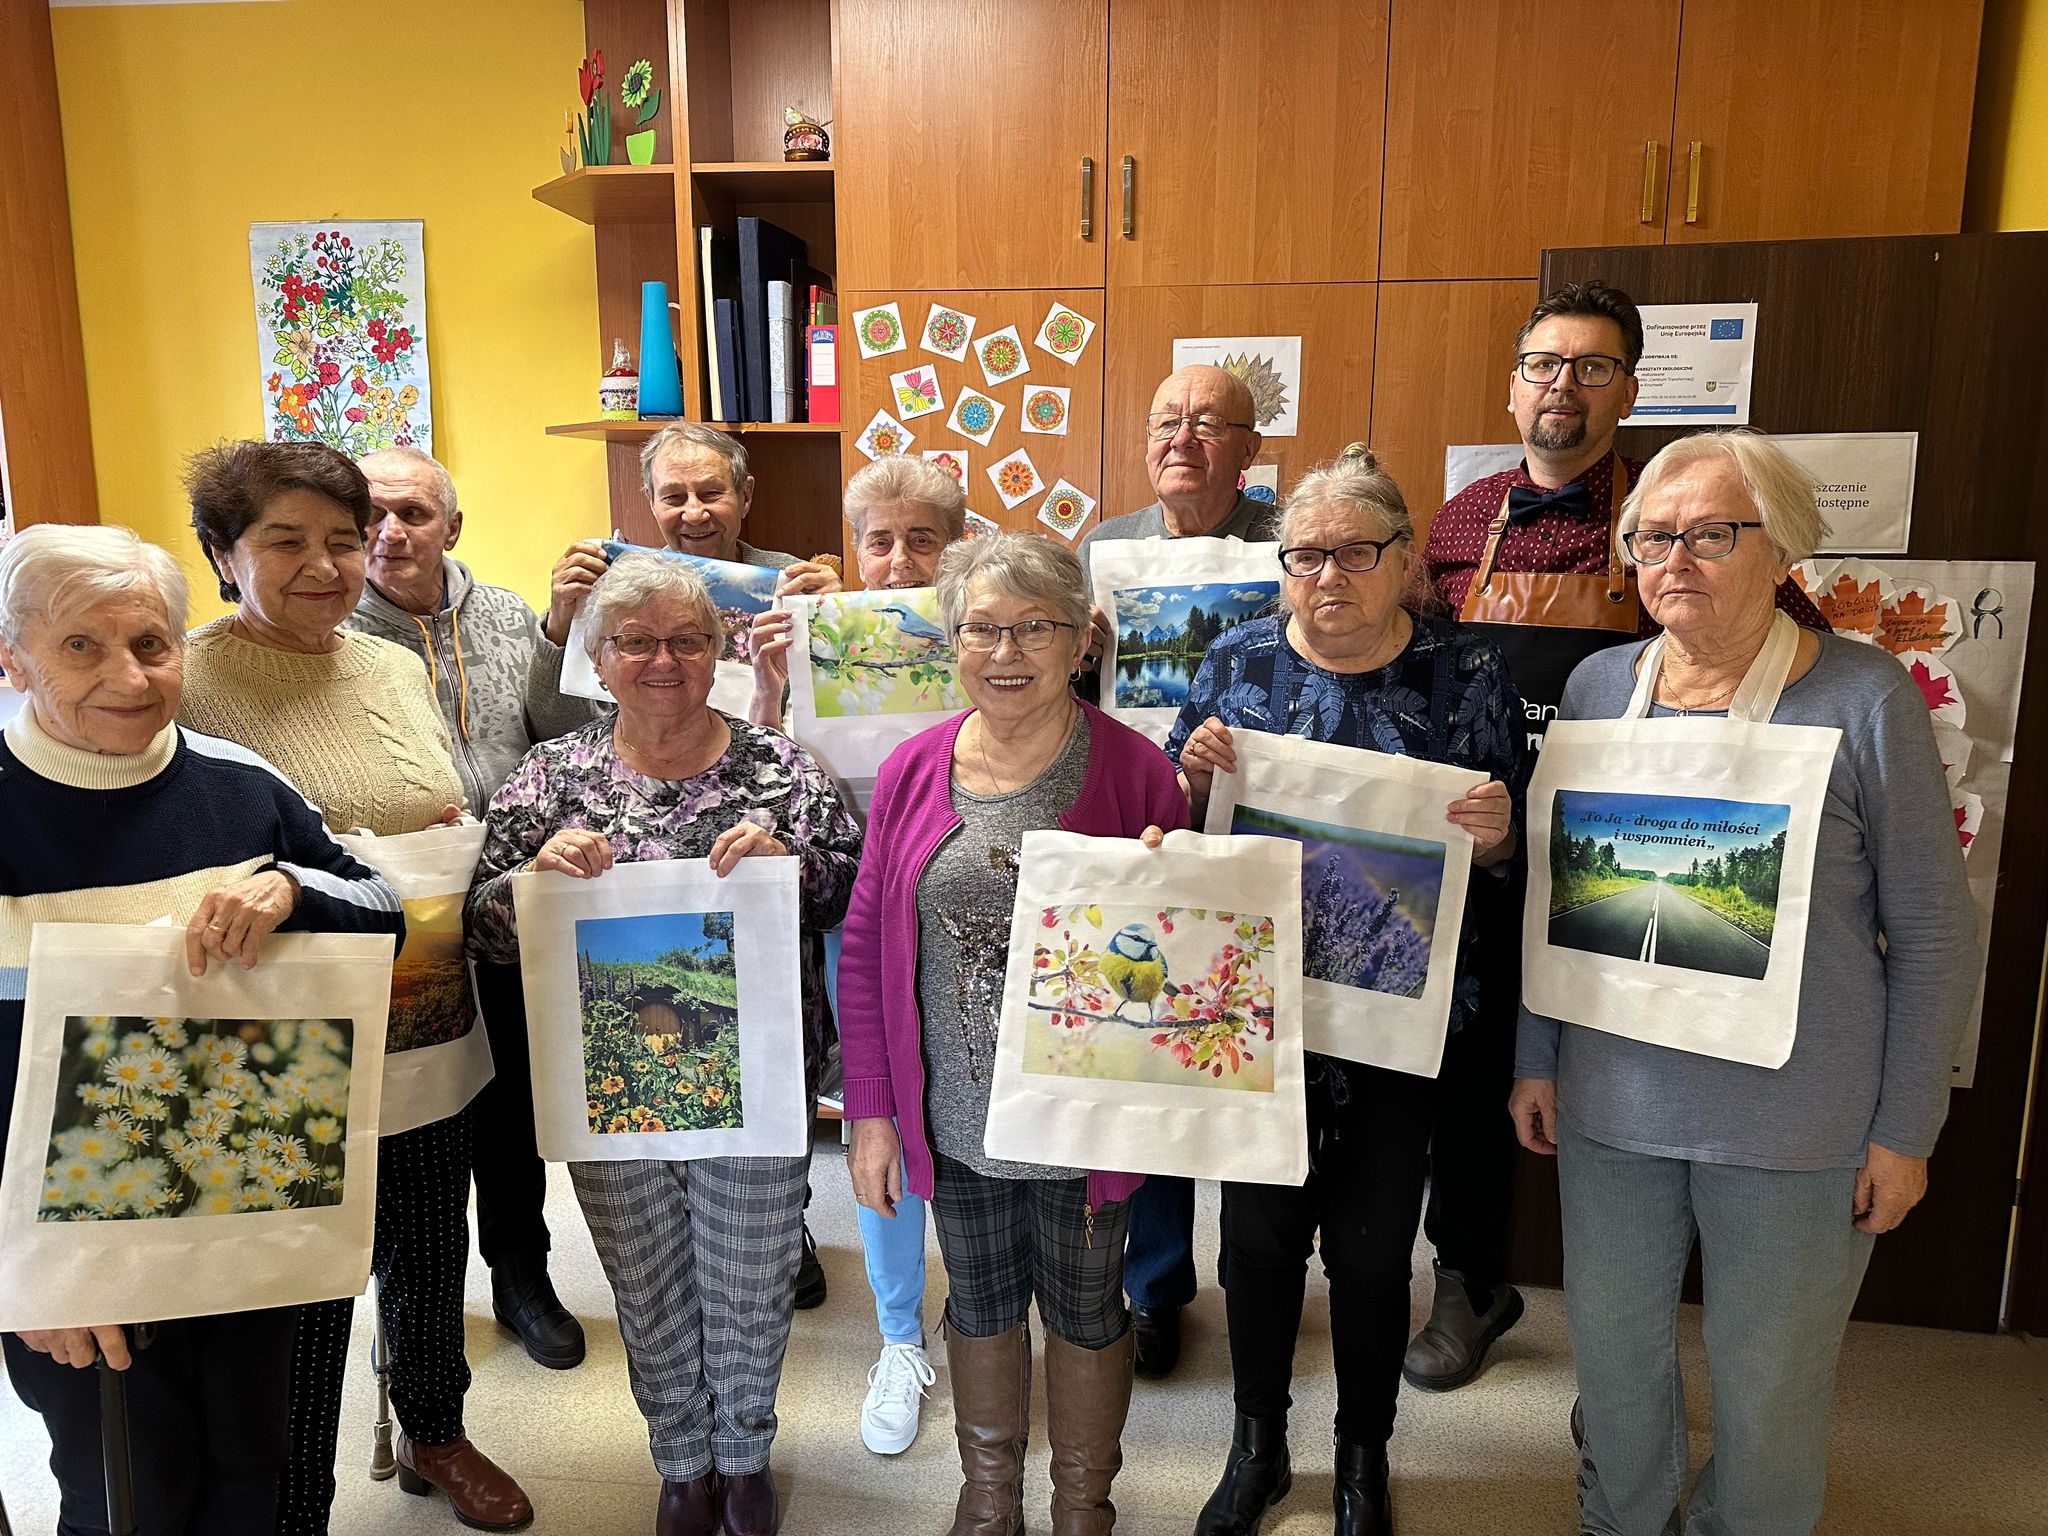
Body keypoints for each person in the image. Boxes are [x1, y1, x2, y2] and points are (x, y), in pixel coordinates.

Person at [1509, 430, 1977, 1536]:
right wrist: (1537, 1057)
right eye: (1653, 537)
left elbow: (1932, 930)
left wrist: (1904, 1130)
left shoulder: (1864, 698)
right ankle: (1621, 1519)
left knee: (1768, 1379)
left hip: (1794, 1122)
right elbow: (1557, 890)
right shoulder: (1595, 686)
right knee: (1613, 1356)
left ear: (1782, 549)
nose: (1674, 559)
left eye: (1711, 534)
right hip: (1612, 1103)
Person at [1407, 281, 1828, 1396]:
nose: (1564, 386)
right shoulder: (1460, 520)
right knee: (1464, 1071)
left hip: (1623, 848)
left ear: (1628, 391)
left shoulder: (1669, 514)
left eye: (1592, 367)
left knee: (1606, 1077)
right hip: (1478, 843)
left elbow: (1798, 642)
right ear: (1513, 386)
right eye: (1544, 364)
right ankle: (1468, 1279)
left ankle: (1628, 1299)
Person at [0, 523, 405, 1536]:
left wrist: (290, 888)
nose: (129, 676)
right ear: (14, 659)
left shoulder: (241, 785)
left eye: (151, 643)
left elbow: (381, 905)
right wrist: (28, 1275)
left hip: (245, 1216)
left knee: (250, 1475)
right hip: (72, 1249)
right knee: (129, 1492)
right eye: (81, 646)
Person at [175, 439, 531, 1535]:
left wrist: (436, 830)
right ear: (223, 553)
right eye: (286, 540)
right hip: (280, 1035)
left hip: (426, 1012)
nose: (326, 564)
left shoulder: (389, 664)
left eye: (343, 538)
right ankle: (297, 1499)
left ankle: (435, 1428)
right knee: (304, 1283)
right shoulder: (185, 679)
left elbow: (425, 800)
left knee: (428, 1242)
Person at [466, 551, 861, 1536]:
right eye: (635, 641)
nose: (662, 660)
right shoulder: (551, 778)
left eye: (687, 639)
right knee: (646, 1280)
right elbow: (479, 928)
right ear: (597, 658)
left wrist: (790, 860)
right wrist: (533, 880)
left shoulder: (779, 768)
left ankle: (744, 1457)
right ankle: (681, 1460)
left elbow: (851, 893)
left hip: (758, 1079)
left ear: (718, 649)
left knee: (750, 1276)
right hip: (612, 1086)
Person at [1171, 450, 1526, 1536]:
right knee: (1256, 1241)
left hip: (1396, 1016)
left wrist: (1500, 839)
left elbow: (1514, 856)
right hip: (1257, 1011)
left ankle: (1362, 1460)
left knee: (1373, 1251)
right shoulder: (1233, 660)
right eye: (1304, 555)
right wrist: (1192, 777)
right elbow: (1185, 831)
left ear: (1405, 560)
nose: (1327, 575)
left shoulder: (1469, 674)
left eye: (1355, 552)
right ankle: (1257, 1446)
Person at [839, 532, 1187, 1536]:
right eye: (981, 629)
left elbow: (1180, 963)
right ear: (951, 641)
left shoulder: (1135, 772)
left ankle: (1083, 1505)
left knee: (1086, 1308)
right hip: (956, 1117)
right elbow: (864, 947)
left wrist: (1168, 883)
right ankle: (988, 1496)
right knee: (980, 1301)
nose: (1005, 651)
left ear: (1080, 640)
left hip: (1086, 1120)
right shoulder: (911, 771)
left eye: (1034, 627)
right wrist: (872, 1115)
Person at [531, 421, 842, 1308]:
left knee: (761, 1120)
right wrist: (560, 623)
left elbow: (837, 762)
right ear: (649, 503)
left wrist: (837, 616)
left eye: (712, 491)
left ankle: (781, 1220)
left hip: (762, 809)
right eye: (675, 495)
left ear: (745, 497)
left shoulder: (789, 583)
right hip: (629, 849)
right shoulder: (607, 585)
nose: (694, 510)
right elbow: (553, 719)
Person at [342, 444, 585, 1371]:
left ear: (452, 525)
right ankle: (415, 1311)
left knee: (512, 1100)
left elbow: (559, 733)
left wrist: (556, 636)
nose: (389, 532)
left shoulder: (508, 614)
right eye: (371, 515)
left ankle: (522, 1276)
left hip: (515, 895)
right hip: (406, 906)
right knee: (418, 1124)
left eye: (411, 512)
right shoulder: (338, 630)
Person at [746, 453, 967, 1456]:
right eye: (879, 540)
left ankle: (988, 1311)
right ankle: (897, 1333)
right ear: (852, 547)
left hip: (971, 908)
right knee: (880, 1115)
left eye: (922, 539)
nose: (898, 561)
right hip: (860, 915)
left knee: (974, 1113)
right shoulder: (814, 636)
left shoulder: (988, 634)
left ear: (956, 547)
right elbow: (757, 772)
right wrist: (771, 683)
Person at [1071, 363, 1280, 1377]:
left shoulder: (1288, 541)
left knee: (1245, 1056)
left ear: (1249, 448)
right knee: (1147, 1050)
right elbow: (1059, 690)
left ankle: (1257, 1275)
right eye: (1166, 421)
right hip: (1135, 820)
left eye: (1206, 423)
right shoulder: (1104, 548)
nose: (1182, 439)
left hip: (1254, 817)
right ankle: (1154, 1286)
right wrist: (1081, 653)